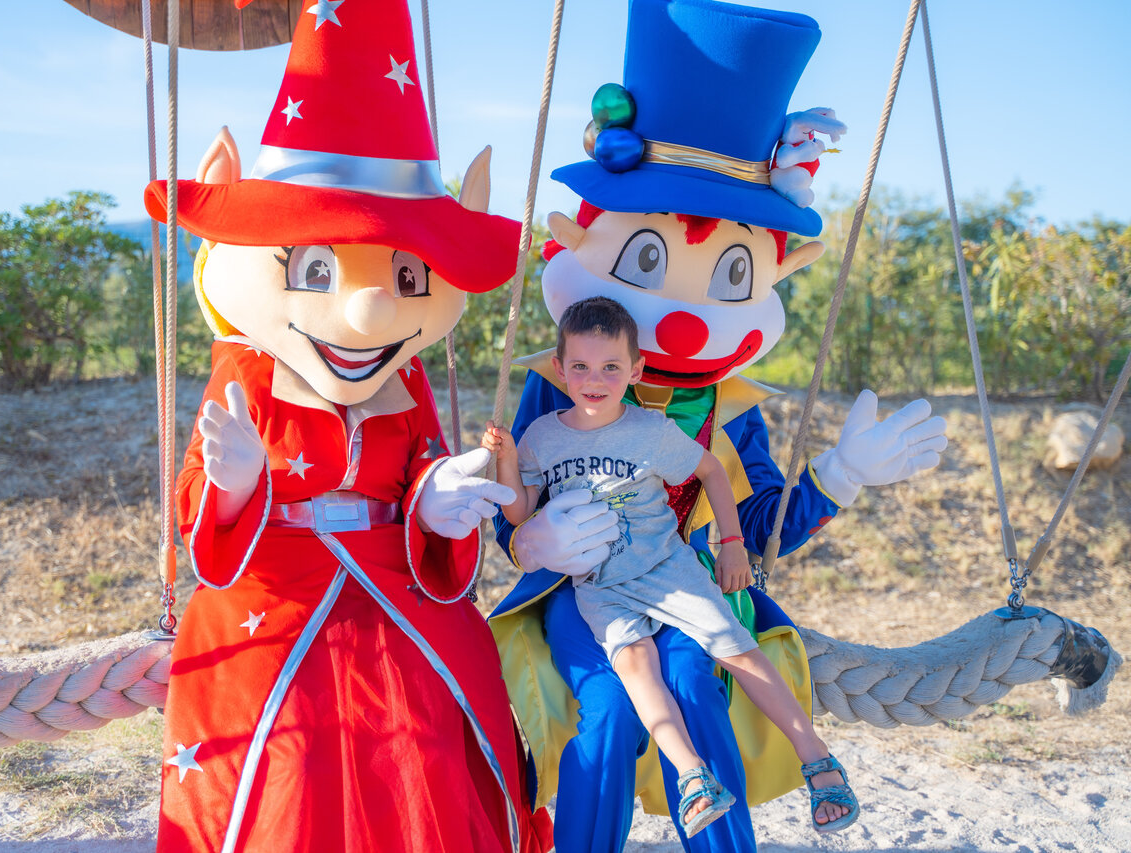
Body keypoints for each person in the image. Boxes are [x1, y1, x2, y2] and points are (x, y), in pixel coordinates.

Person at [488, 3, 946, 850]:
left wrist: (839, 474)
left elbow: (758, 522)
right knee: (601, 712)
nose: (690, 318)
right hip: (580, 583)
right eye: (651, 258)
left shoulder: (728, 410)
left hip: (683, 572)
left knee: (701, 685)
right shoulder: (555, 388)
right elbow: (506, 500)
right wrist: (530, 539)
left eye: (731, 269)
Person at [142, 3, 552, 851]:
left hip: (395, 577)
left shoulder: (404, 376)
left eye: (407, 273)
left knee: (429, 729)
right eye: (317, 266)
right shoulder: (247, 371)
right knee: (289, 753)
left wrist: (438, 501)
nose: (366, 310)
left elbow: (424, 469)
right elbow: (199, 507)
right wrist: (237, 486)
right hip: (272, 588)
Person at [485, 297, 858, 837]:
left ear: (635, 371)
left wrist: (732, 544)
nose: (595, 380)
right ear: (560, 369)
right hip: (598, 586)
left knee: (732, 653)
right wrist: (506, 462)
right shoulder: (543, 435)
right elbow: (519, 513)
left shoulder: (650, 429)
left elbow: (712, 472)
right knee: (632, 669)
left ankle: (816, 756)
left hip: (666, 567)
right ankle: (692, 776)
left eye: (612, 367)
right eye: (582, 367)